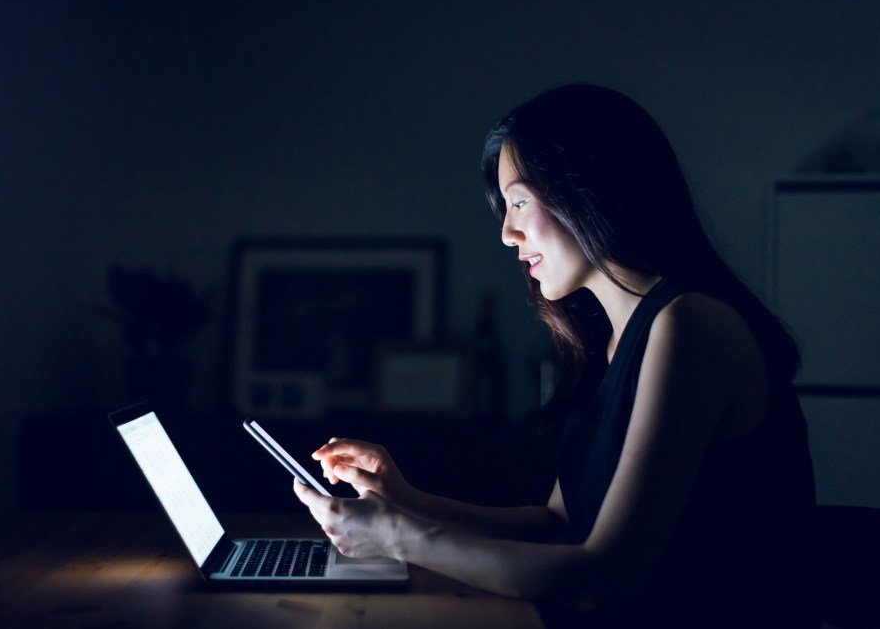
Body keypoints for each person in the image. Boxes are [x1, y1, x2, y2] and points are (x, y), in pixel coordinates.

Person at [293, 84, 817, 627]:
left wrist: (395, 536)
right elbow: (555, 523)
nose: (506, 233)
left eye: (519, 202)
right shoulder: (613, 335)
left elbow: (603, 581)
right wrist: (404, 500)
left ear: (589, 190)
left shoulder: (692, 326)